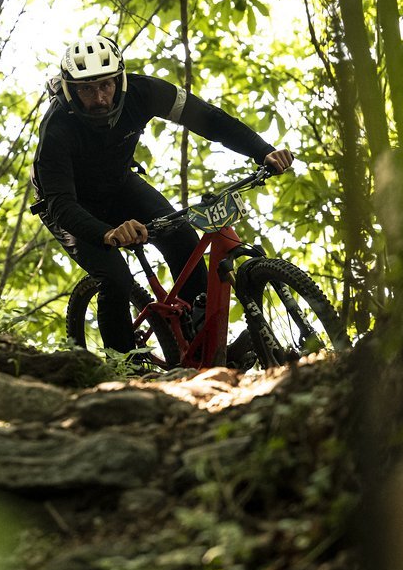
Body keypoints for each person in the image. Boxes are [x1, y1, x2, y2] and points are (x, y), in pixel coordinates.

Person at [31, 34, 294, 356]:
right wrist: (107, 232)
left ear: (120, 81)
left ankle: (203, 346)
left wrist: (262, 151)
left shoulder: (145, 92)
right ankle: (124, 366)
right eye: (87, 89)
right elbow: (60, 203)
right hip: (68, 206)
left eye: (106, 85)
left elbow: (209, 118)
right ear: (71, 89)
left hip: (117, 184)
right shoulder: (57, 125)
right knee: (115, 278)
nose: (99, 97)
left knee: (182, 236)